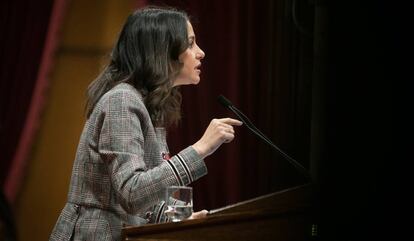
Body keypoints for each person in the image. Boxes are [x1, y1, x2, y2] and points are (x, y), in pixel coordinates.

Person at [50, 6, 242, 241]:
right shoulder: (121, 100)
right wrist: (200, 149)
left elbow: (134, 197)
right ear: (162, 50)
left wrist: (177, 219)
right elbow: (132, 192)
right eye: (190, 44)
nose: (200, 53)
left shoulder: (148, 104)